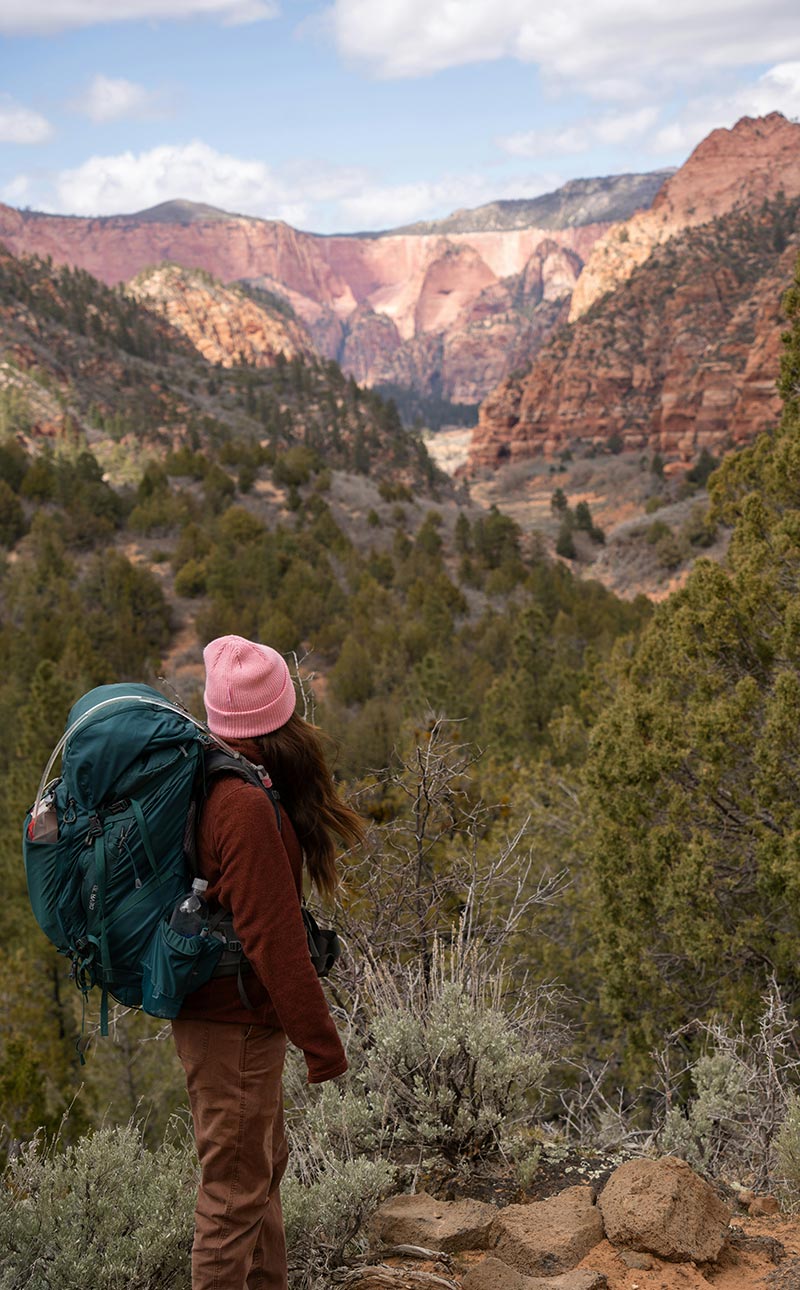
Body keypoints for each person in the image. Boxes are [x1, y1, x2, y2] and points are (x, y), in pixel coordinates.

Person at [171, 634, 365, 1290]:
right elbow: (273, 941)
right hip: (236, 1027)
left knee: (262, 1171)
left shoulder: (222, 773)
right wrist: (324, 1047)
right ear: (281, 711)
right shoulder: (246, 805)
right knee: (232, 1197)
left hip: (228, 1022)